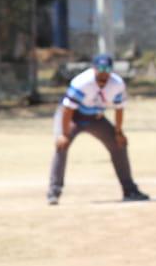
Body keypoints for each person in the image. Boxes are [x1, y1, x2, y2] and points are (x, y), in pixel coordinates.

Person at [46, 53, 149, 205]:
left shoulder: (117, 84)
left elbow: (119, 109)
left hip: (95, 117)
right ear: (93, 69)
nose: (103, 73)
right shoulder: (82, 82)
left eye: (107, 69)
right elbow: (68, 110)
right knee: (62, 145)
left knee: (118, 144)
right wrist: (64, 133)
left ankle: (129, 190)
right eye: (100, 69)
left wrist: (118, 132)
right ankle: (54, 192)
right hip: (73, 116)